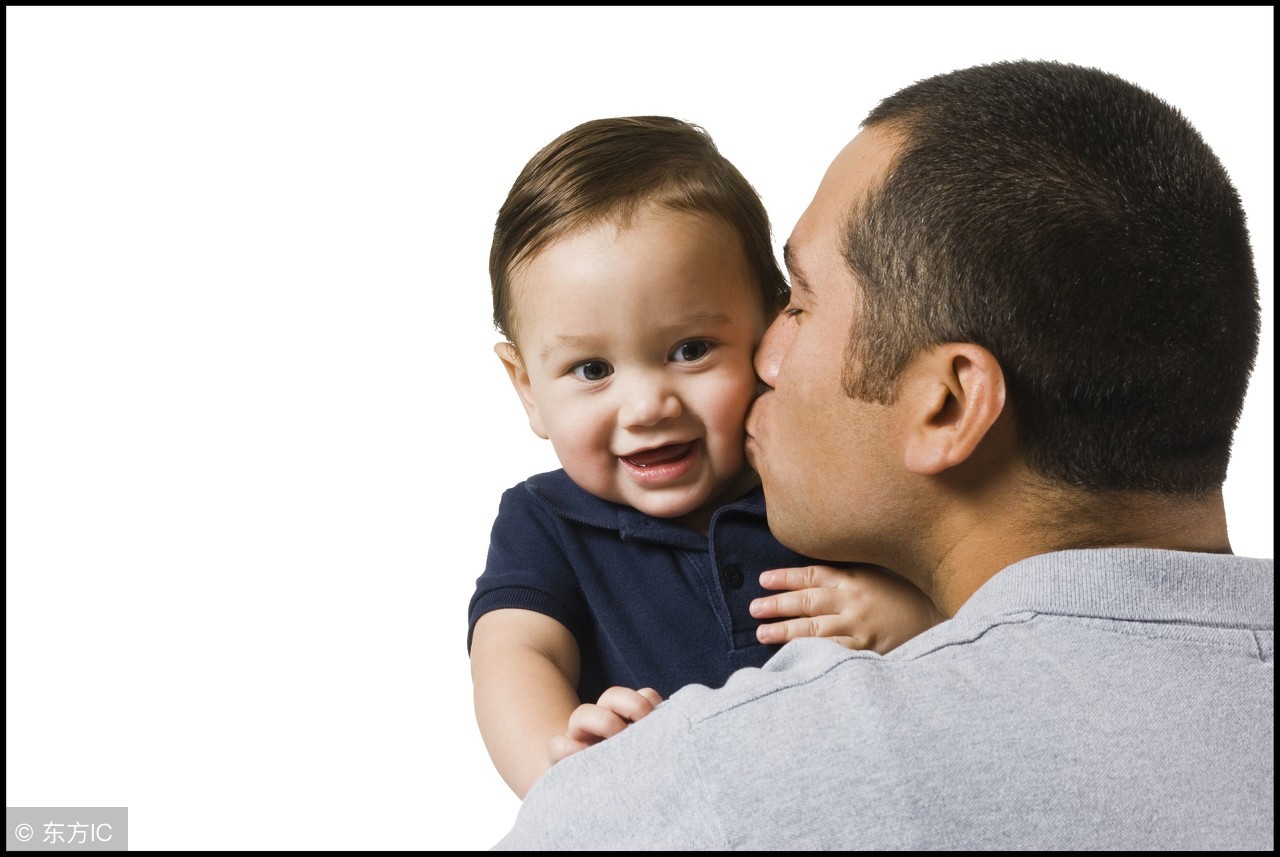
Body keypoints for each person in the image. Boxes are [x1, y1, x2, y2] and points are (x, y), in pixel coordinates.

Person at [494, 61, 1274, 849]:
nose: (766, 358)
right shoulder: (551, 526)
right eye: (591, 368)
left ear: (947, 403)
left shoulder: (675, 799)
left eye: (798, 304)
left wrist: (598, 798)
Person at [468, 116, 943, 799]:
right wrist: (568, 775)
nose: (646, 406)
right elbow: (514, 655)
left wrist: (916, 617)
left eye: (690, 351)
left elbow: (978, 591)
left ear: (774, 330)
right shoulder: (546, 523)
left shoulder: (827, 481)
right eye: (592, 369)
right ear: (528, 390)